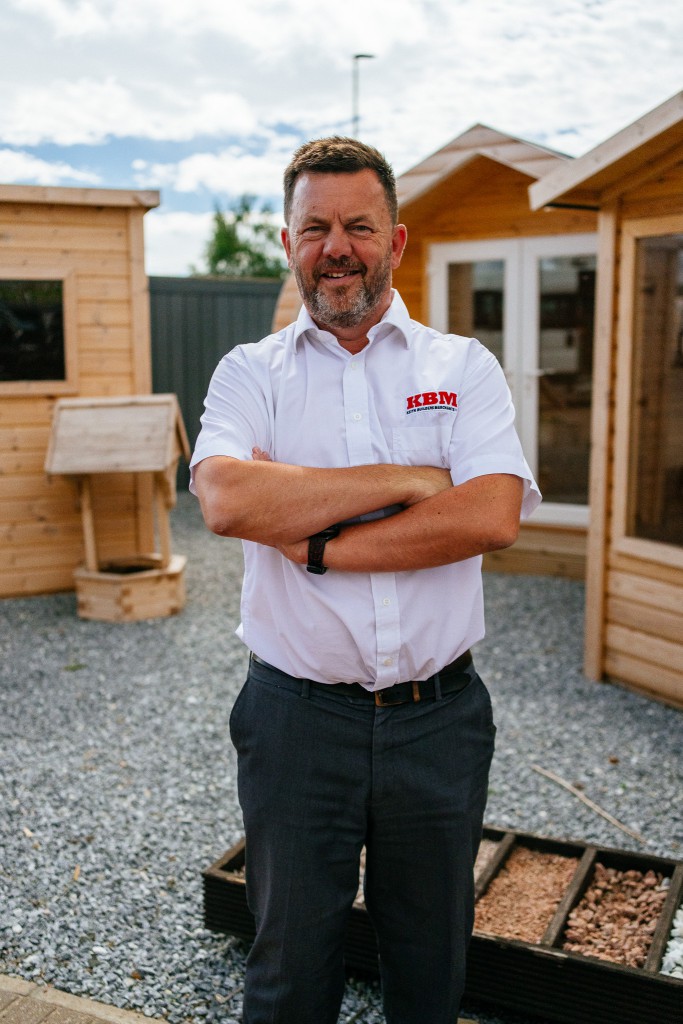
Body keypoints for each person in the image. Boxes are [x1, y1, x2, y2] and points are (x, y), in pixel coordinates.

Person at [191, 136, 541, 1024]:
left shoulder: (461, 368)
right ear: (286, 244)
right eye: (315, 227)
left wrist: (315, 542)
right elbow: (229, 500)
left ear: (398, 241)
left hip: (440, 721)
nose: (335, 246)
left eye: (357, 225)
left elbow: (489, 515)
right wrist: (407, 481)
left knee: (429, 961)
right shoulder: (249, 373)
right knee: (288, 963)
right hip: (296, 722)